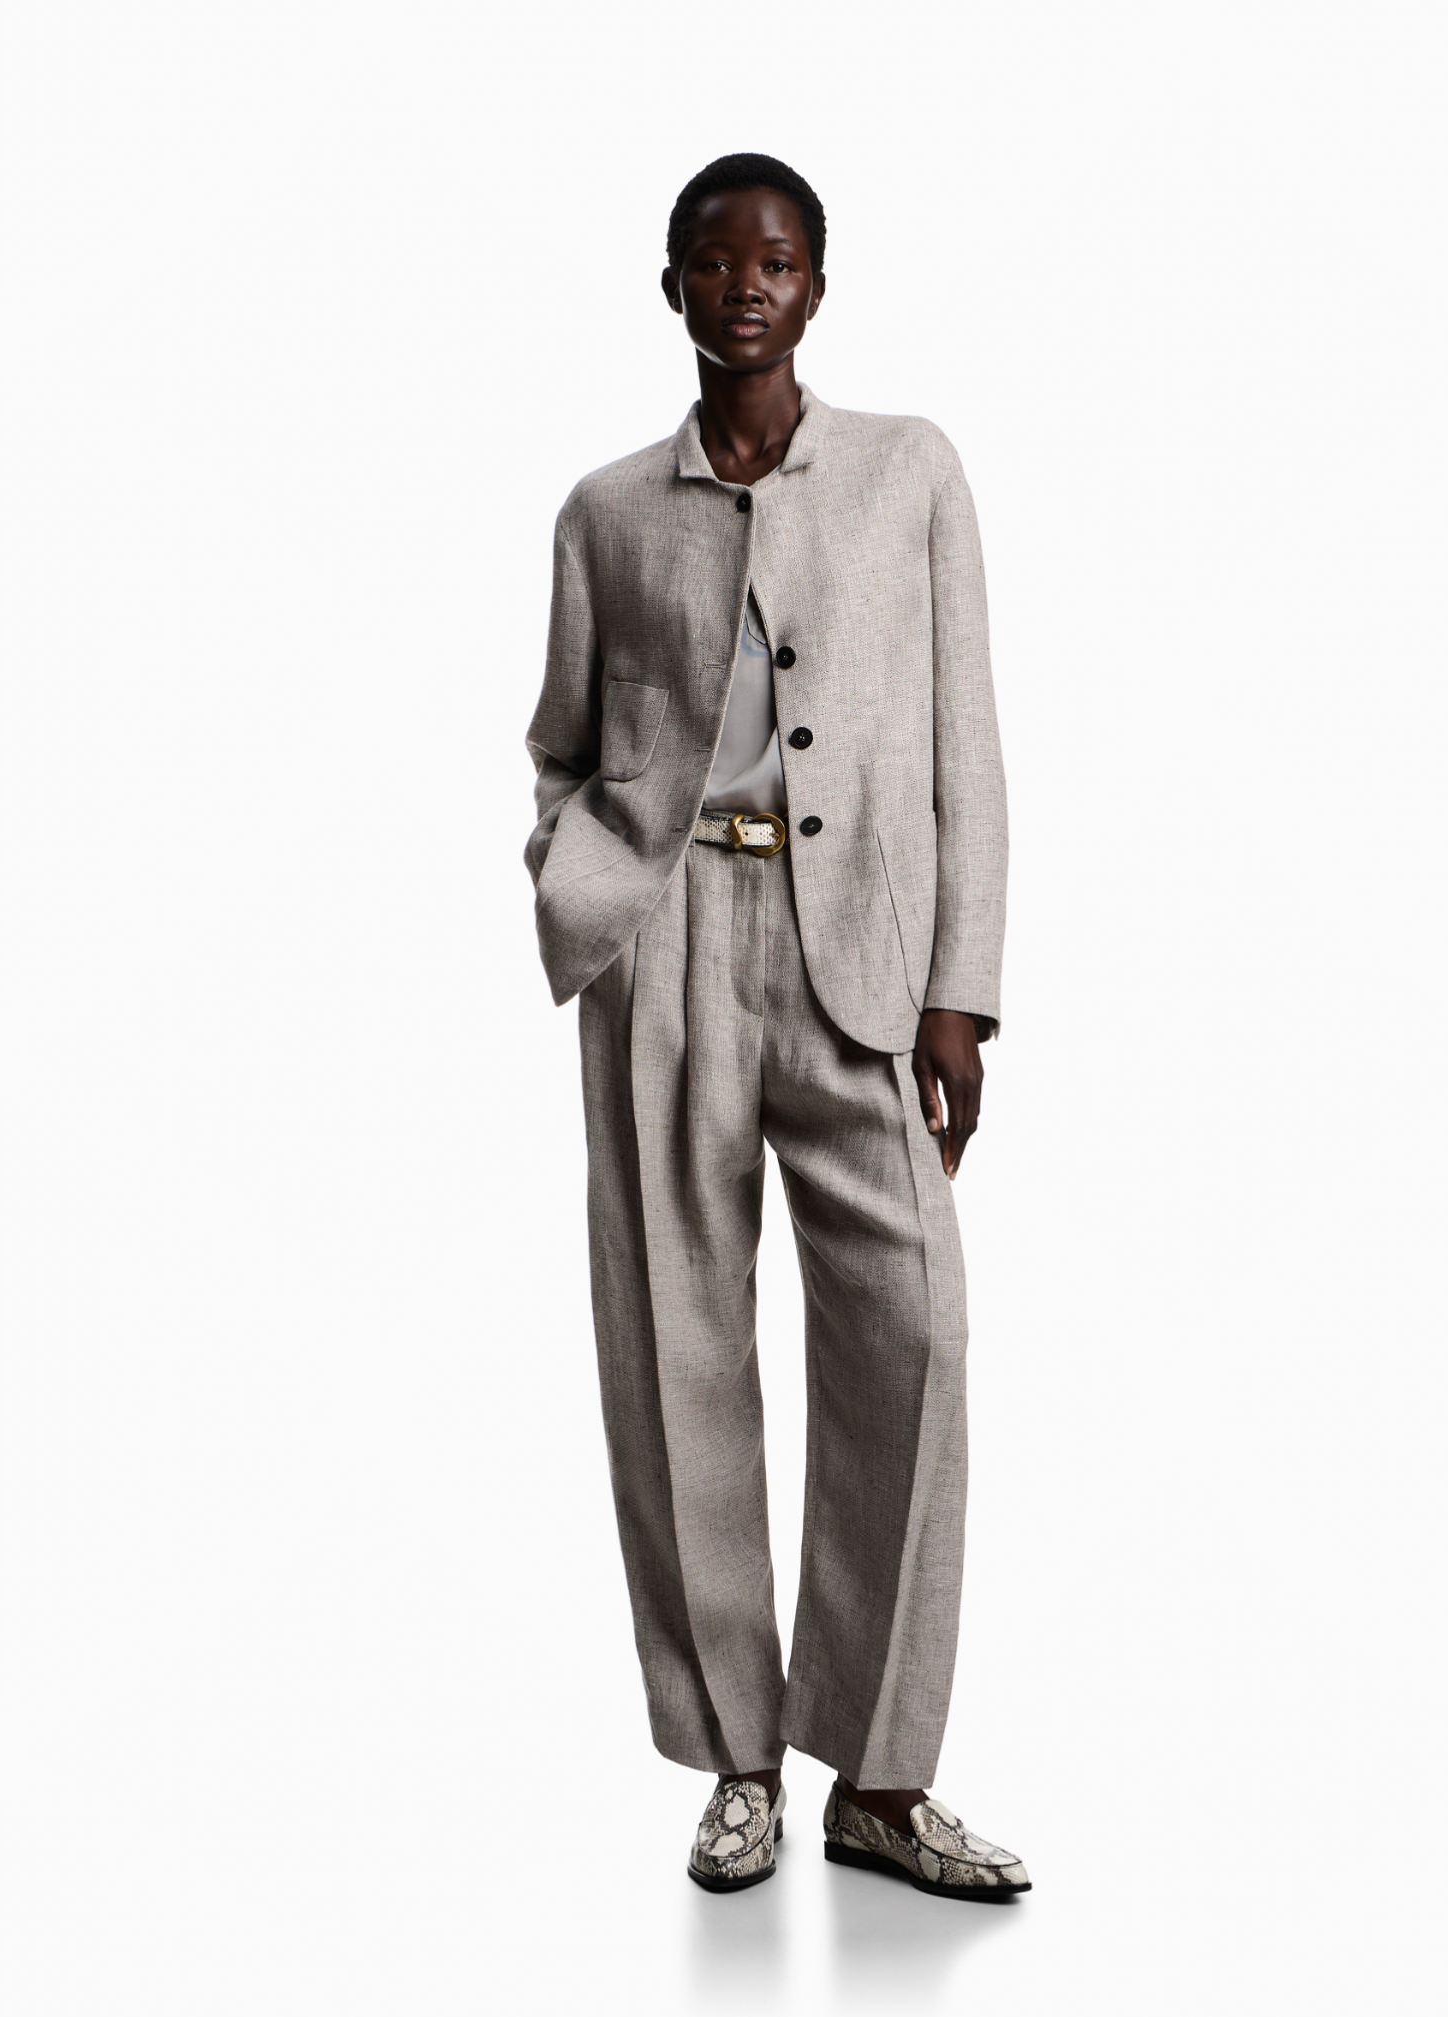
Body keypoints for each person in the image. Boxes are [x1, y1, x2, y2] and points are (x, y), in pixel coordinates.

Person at [524, 153, 1026, 1900]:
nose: (748, 285)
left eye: (780, 260)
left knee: (916, 1333)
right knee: (676, 1344)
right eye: (717, 261)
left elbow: (968, 742)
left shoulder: (910, 473)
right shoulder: (605, 511)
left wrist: (961, 991)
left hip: (861, 957)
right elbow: (561, 744)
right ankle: (736, 1761)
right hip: (663, 944)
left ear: (818, 284)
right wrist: (580, 883)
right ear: (672, 284)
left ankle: (879, 1782)